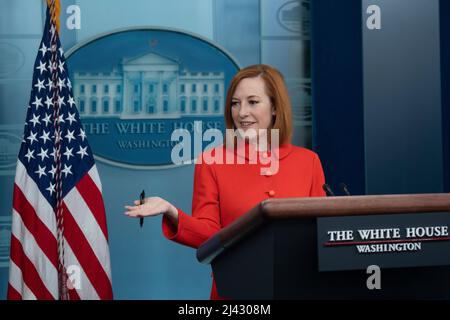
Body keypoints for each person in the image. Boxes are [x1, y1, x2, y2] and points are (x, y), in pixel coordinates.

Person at [124, 64, 326, 299]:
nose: (241, 113)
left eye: (252, 102)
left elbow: (320, 234)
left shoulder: (308, 161)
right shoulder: (212, 161)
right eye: (235, 103)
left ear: (274, 107)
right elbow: (209, 236)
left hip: (299, 288)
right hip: (236, 291)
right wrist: (170, 211)